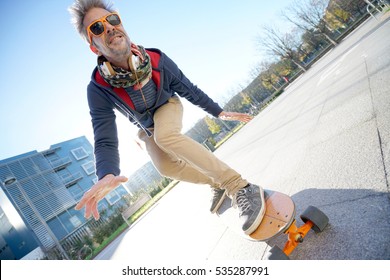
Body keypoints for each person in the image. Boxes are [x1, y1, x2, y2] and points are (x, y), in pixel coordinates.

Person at [68, 0, 265, 235]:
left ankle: (239, 187)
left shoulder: (157, 60)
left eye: (112, 20)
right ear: (95, 47)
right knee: (165, 167)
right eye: (97, 28)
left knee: (166, 136)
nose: (108, 28)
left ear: (121, 24)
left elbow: (188, 88)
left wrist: (218, 111)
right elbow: (104, 136)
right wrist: (107, 172)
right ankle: (216, 183)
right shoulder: (98, 88)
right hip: (145, 126)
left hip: (167, 105)